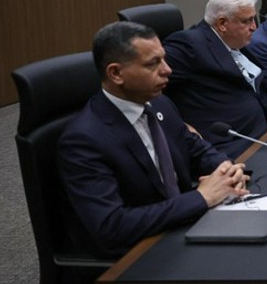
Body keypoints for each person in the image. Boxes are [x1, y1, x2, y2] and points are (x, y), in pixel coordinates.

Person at [58, 22, 249, 257]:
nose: (167, 70)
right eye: (152, 64)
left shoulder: (160, 103)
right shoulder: (83, 140)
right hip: (139, 252)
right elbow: (112, 226)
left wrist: (226, 170)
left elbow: (196, 149)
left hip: (181, 225)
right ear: (116, 73)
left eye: (164, 59)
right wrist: (201, 198)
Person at [163, 0, 267, 158]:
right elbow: (147, 86)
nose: (254, 27)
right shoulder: (189, 44)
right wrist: (180, 126)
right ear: (222, 24)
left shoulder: (235, 42)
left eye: (253, 19)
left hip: (261, 136)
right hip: (229, 147)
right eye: (247, 21)